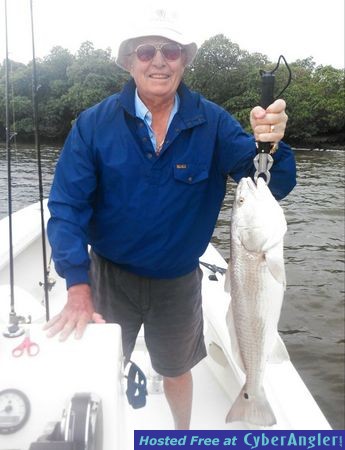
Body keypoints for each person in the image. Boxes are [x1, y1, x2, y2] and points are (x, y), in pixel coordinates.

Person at [45, 9, 296, 429]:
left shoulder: (213, 122)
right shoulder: (92, 125)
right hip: (109, 274)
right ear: (128, 60)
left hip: (179, 281)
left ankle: (183, 435)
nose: (158, 60)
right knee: (104, 362)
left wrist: (271, 142)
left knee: (178, 368)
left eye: (172, 50)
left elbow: (271, 183)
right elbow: (67, 206)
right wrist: (77, 284)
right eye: (146, 50)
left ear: (184, 60)